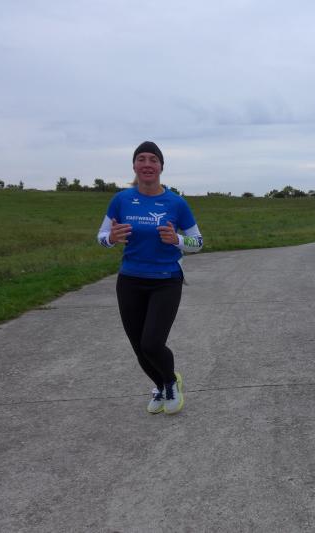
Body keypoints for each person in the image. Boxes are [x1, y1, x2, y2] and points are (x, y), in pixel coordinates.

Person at [96, 141, 203, 415]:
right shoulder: (121, 200)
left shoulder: (176, 202)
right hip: (129, 281)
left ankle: (171, 382)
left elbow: (198, 242)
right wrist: (111, 238)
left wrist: (177, 239)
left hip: (166, 280)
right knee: (138, 348)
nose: (147, 164)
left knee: (151, 344)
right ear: (134, 165)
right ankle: (162, 385)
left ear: (161, 167)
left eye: (153, 159)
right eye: (141, 159)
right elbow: (102, 236)